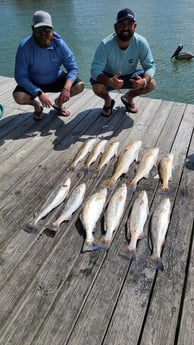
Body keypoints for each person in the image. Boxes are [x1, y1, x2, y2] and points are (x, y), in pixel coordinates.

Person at [13, 10, 84, 121]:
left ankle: (58, 103)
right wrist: (39, 93)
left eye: (47, 29)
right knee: (19, 97)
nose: (43, 33)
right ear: (32, 29)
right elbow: (20, 77)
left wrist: (66, 88)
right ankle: (37, 106)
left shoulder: (60, 44)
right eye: (39, 29)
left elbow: (73, 68)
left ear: (52, 29)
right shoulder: (24, 47)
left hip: (55, 78)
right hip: (34, 81)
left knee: (79, 86)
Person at [90, 8, 156, 116]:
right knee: (96, 86)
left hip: (130, 76)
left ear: (135, 26)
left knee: (151, 83)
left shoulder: (141, 42)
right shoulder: (105, 44)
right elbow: (94, 70)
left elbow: (150, 66)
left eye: (129, 24)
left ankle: (128, 97)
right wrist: (110, 81)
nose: (125, 27)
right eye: (121, 24)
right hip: (110, 77)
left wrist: (143, 81)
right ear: (115, 27)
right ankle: (108, 101)